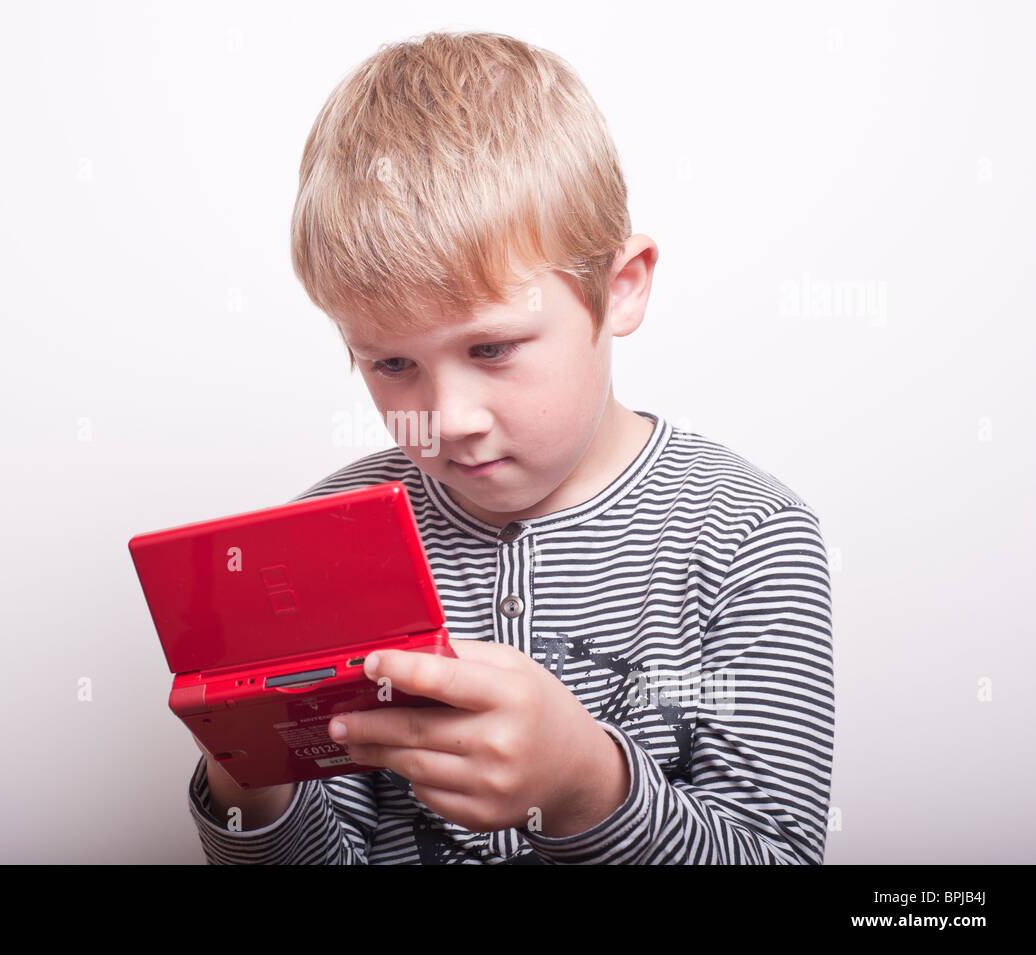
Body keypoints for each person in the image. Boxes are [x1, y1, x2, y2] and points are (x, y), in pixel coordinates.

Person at [186, 30, 835, 864]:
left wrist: (588, 788)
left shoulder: (751, 537)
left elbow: (777, 854)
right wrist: (251, 777)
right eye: (392, 363)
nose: (447, 417)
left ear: (621, 287)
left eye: (491, 349)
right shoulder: (323, 540)